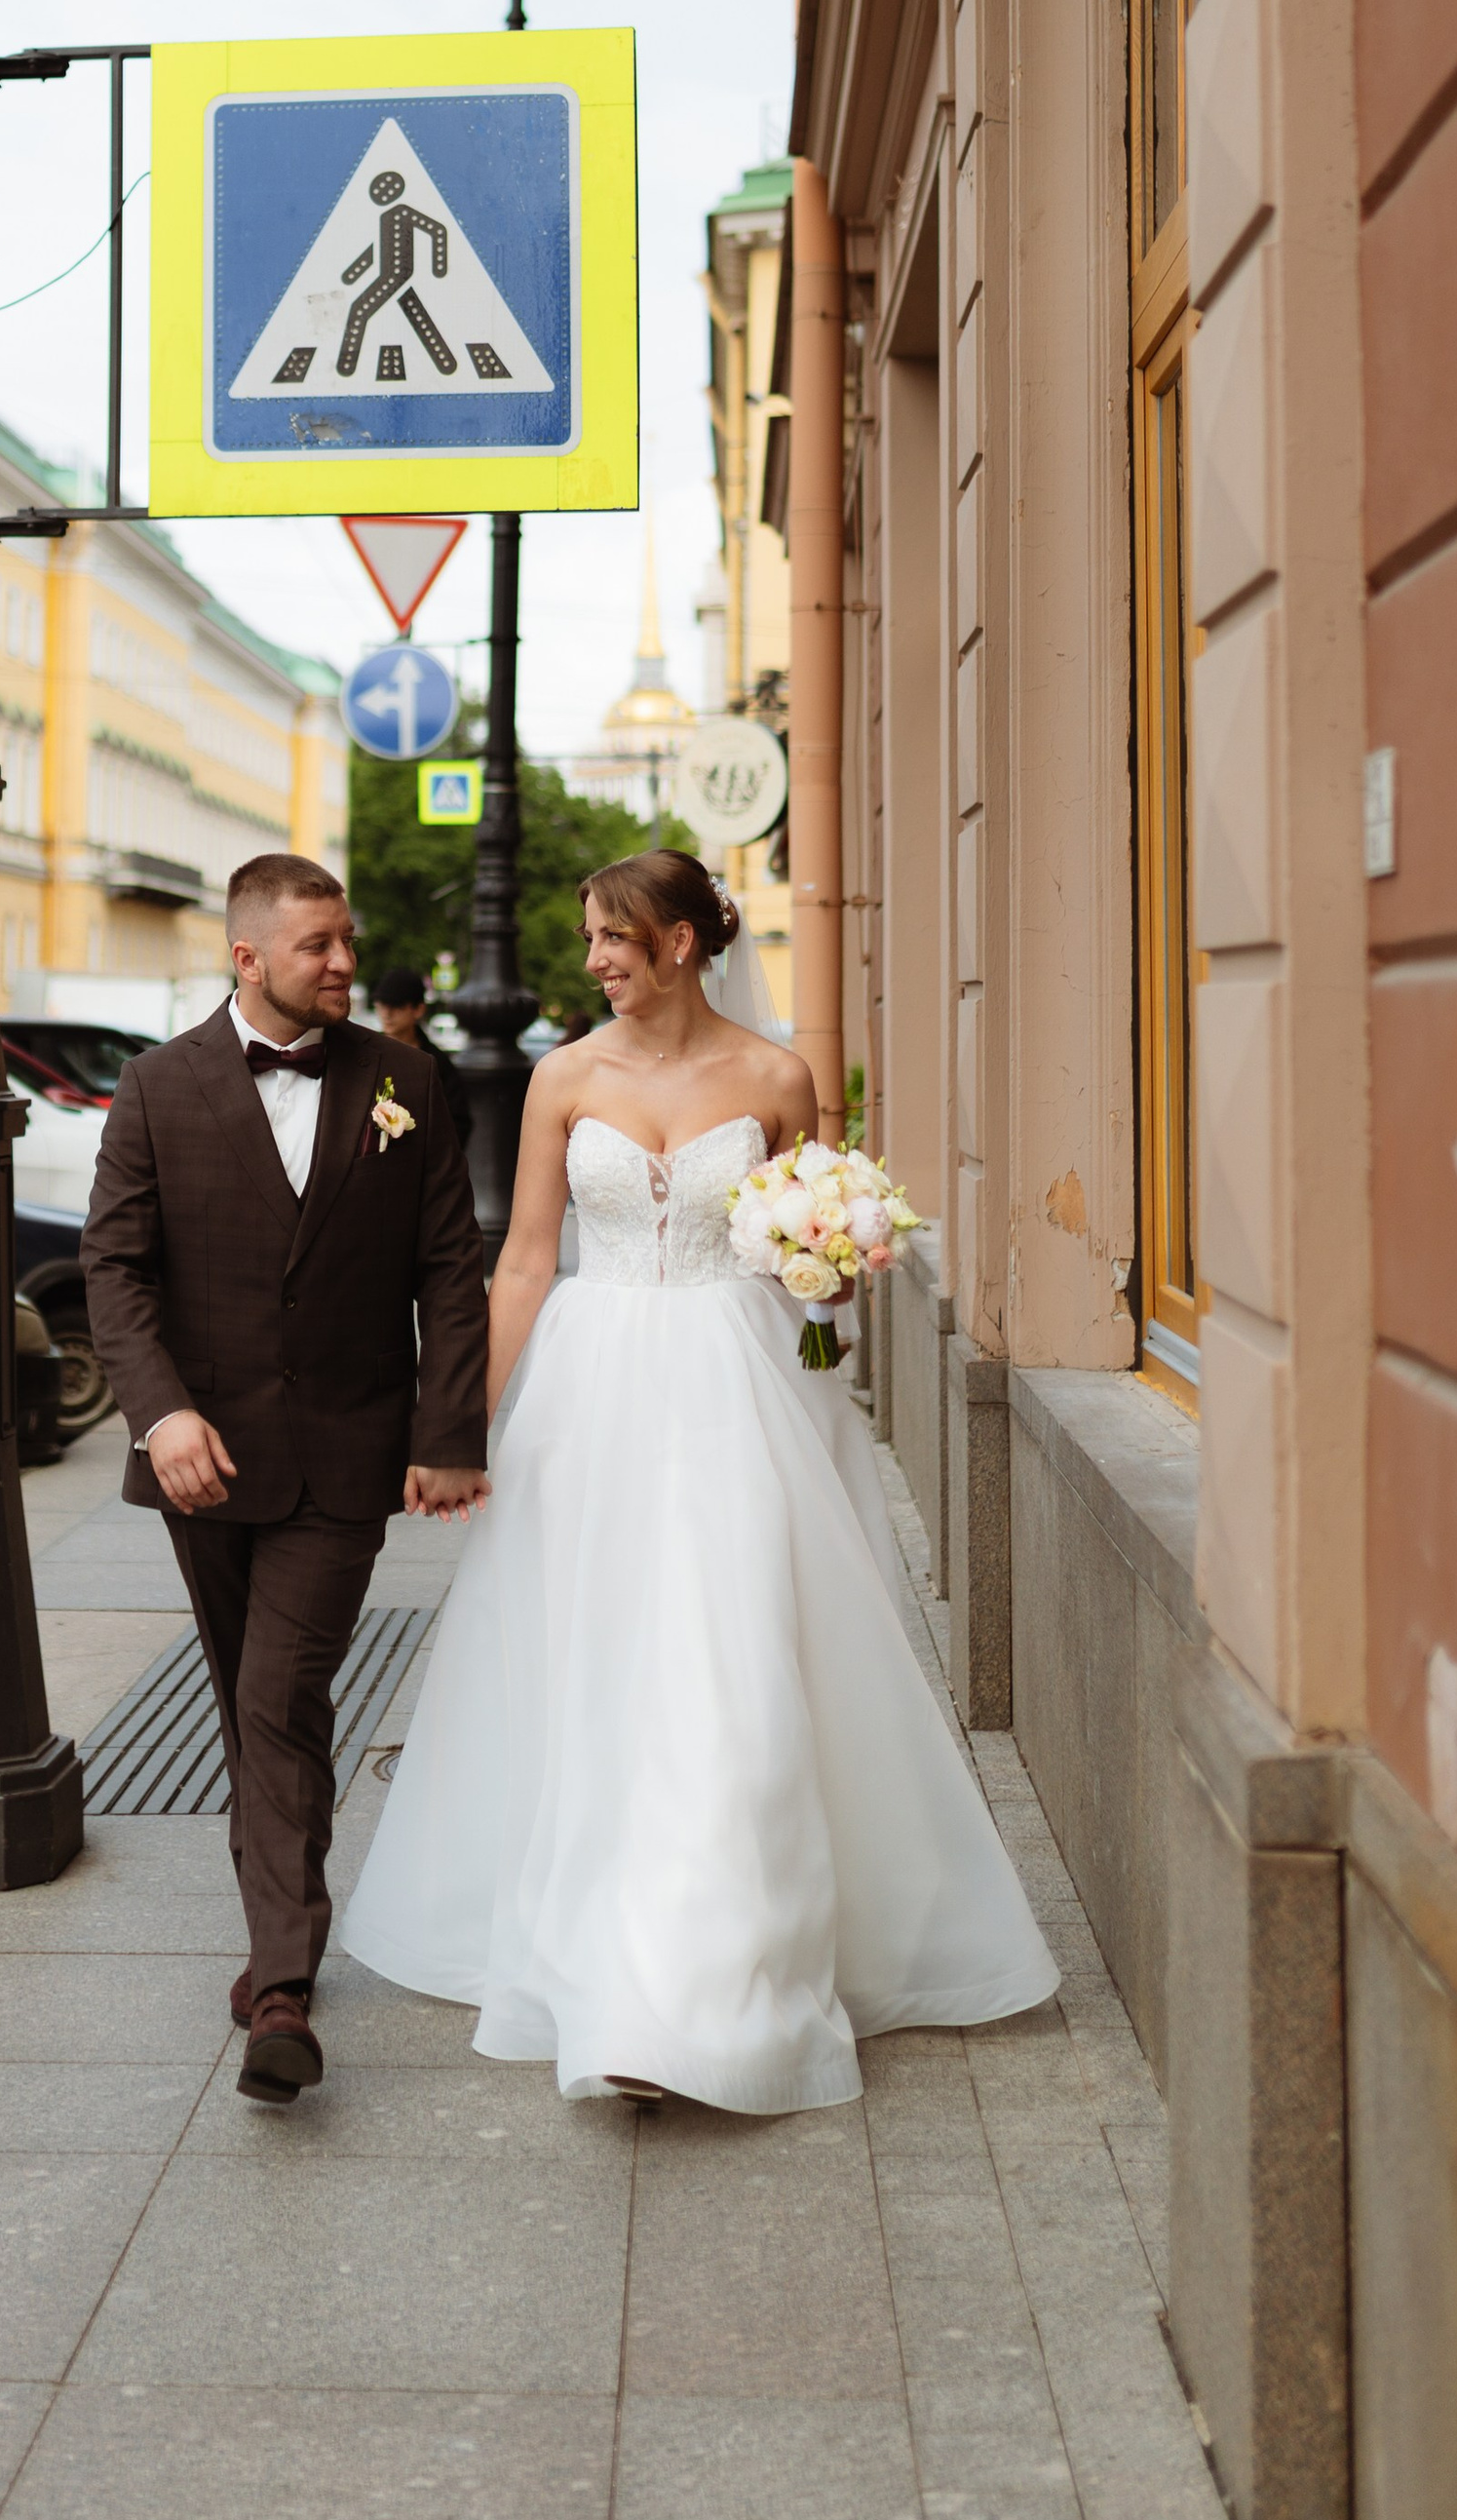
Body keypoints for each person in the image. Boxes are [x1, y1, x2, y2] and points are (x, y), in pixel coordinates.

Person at [339, 846, 1057, 2115]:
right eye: (588, 942)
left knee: (730, 1670)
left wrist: (833, 1253)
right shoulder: (563, 1076)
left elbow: (810, 1282)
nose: (598, 961)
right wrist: (455, 1426)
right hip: (592, 1394)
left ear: (682, 941)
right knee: (601, 1662)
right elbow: (522, 1266)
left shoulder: (777, 1078)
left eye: (617, 938)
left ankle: (719, 1984)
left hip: (741, 1394)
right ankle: (604, 1965)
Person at [80, 854, 488, 2107]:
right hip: (206, 1460)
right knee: (254, 1705)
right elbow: (115, 1266)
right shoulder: (156, 1087)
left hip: (344, 1454)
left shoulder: (405, 1081)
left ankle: (279, 1987)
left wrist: (448, 1432)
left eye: (346, 940)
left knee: (278, 1691)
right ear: (246, 956)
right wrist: (162, 1415)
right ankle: (281, 1928)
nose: (345, 964)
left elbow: (447, 1272)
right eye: (318, 946)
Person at [367, 963, 472, 1144]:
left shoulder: (437, 1063)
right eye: (381, 1005)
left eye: (397, 1006)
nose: (387, 1013)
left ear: (419, 1010)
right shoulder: (366, 1055)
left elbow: (458, 1122)